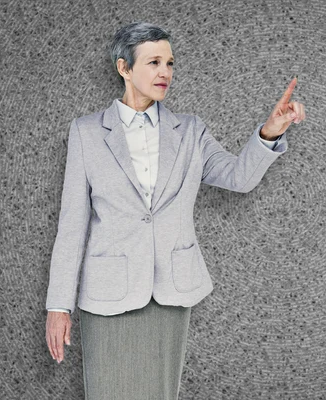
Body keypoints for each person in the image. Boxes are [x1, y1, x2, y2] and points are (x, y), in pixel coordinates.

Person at [44, 21, 305, 399]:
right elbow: (72, 224)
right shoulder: (86, 133)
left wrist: (270, 130)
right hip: (108, 293)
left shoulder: (191, 131)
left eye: (169, 63)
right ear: (124, 68)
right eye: (153, 62)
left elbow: (238, 177)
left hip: (170, 292)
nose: (165, 72)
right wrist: (58, 305)